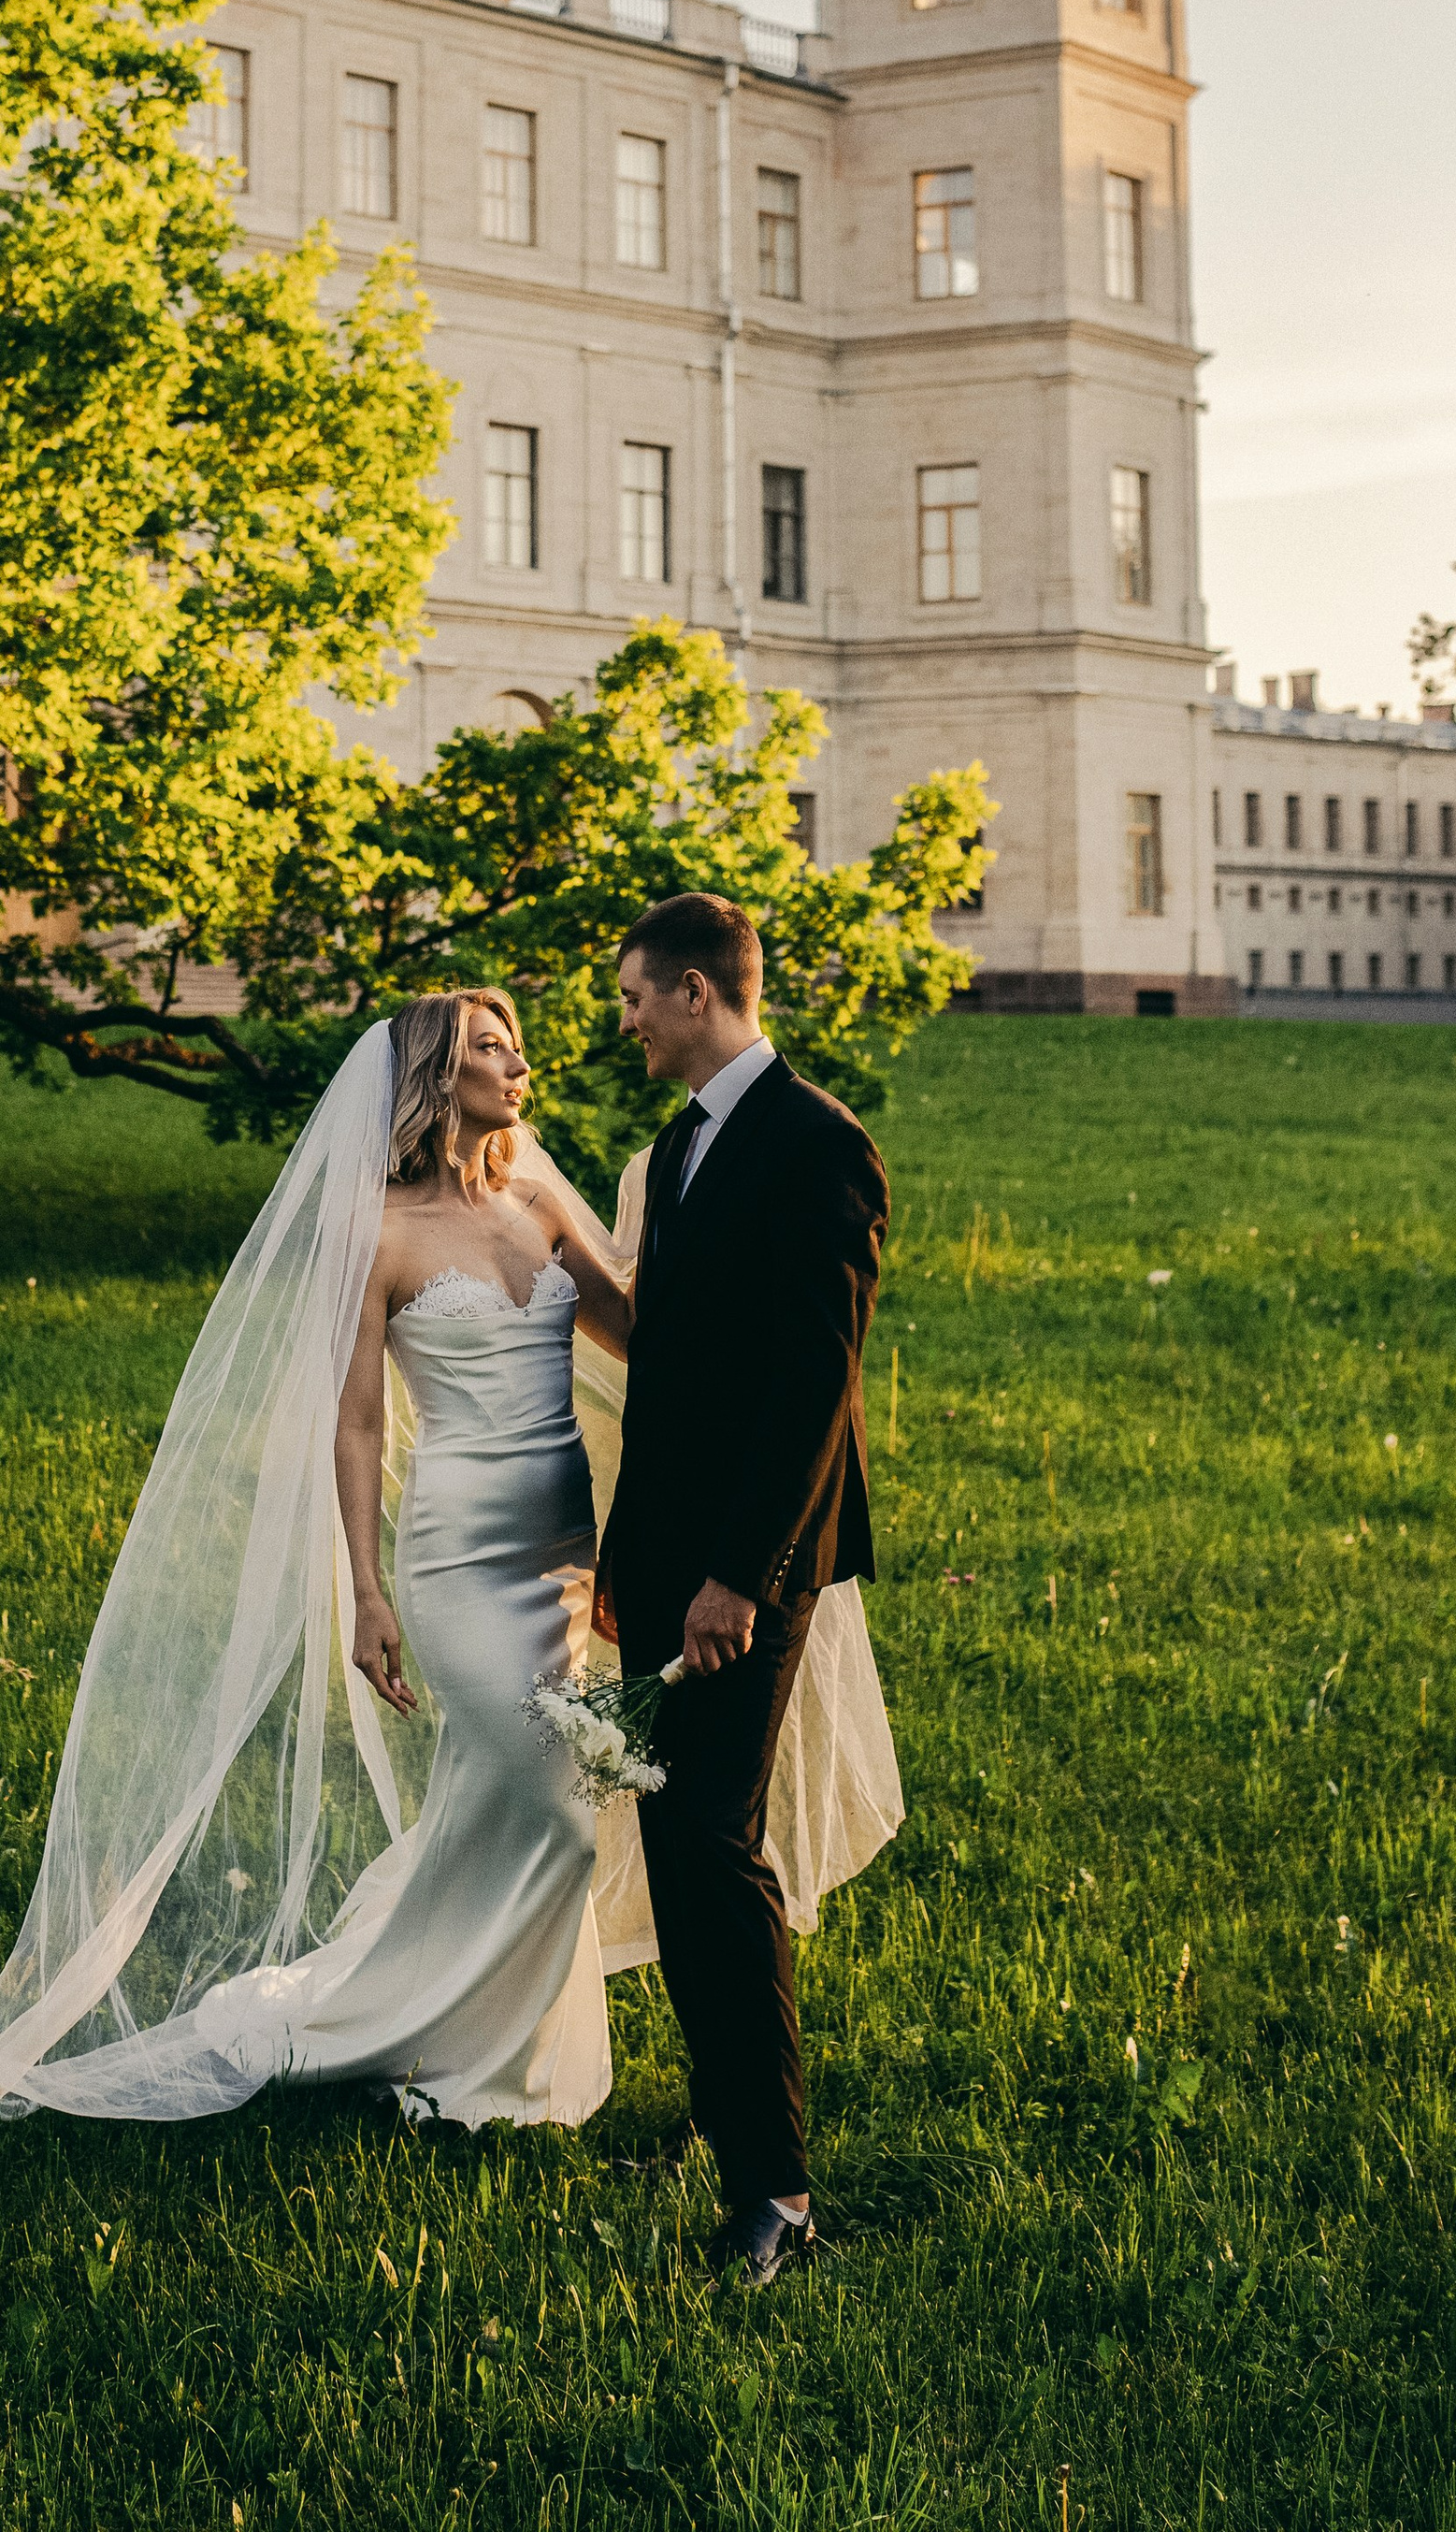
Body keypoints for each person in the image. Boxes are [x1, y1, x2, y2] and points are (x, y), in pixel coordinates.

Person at [0, 991, 636, 2158]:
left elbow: (634, 1329)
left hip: (561, 1561)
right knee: (556, 1808)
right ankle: (413, 2038)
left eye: (518, 1047)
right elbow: (355, 1428)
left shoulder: (537, 1201)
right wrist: (368, 1592)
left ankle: (492, 2046)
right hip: (458, 1563)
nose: (519, 1065)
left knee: (516, 1805)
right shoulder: (375, 1231)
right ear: (437, 1074)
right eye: (493, 1047)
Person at [596, 890, 888, 2289]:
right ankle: (715, 2114)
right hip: (665, 1562)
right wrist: (627, 1569)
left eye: (639, 998)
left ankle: (775, 2190)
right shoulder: (679, 1143)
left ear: (701, 995)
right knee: (672, 1842)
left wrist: (739, 1581)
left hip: (748, 1575)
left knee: (717, 1841)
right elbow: (666, 1384)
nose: (629, 1021)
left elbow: (813, 1391)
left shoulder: (817, 1144)